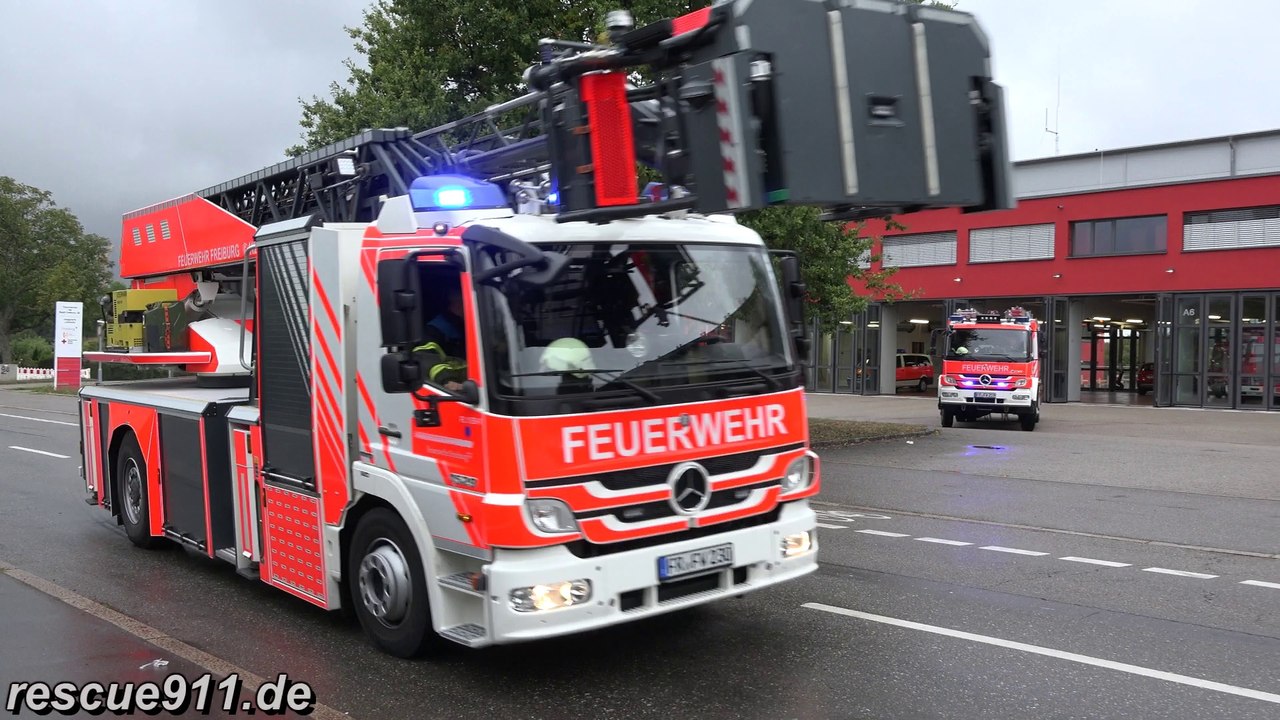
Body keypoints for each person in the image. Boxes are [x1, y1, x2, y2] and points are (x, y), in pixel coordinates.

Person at [413, 286, 468, 391]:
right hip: (454, 391)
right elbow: (425, 359)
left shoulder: (468, 326)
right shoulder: (435, 329)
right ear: (457, 302)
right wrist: (447, 380)